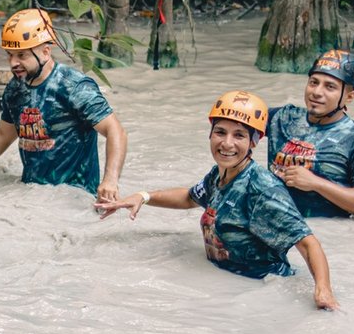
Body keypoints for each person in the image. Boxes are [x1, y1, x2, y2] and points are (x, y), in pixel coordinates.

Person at [95, 91, 339, 310]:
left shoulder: (262, 188)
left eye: (239, 135)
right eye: (220, 132)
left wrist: (323, 290)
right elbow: (190, 197)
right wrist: (143, 196)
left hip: (261, 291)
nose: (227, 143)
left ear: (254, 142)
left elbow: (307, 242)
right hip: (229, 285)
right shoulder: (220, 174)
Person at [0, 8, 127, 201]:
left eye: (21, 55)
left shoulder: (74, 86)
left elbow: (115, 131)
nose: (13, 63)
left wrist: (110, 181)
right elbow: (3, 135)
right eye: (9, 55)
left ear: (45, 52)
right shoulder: (15, 88)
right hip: (31, 195)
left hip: (75, 197)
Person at [267, 49, 354, 219]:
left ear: (349, 97)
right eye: (313, 82)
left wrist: (316, 184)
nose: (316, 92)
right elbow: (231, 126)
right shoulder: (282, 118)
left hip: (325, 232)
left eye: (330, 87)